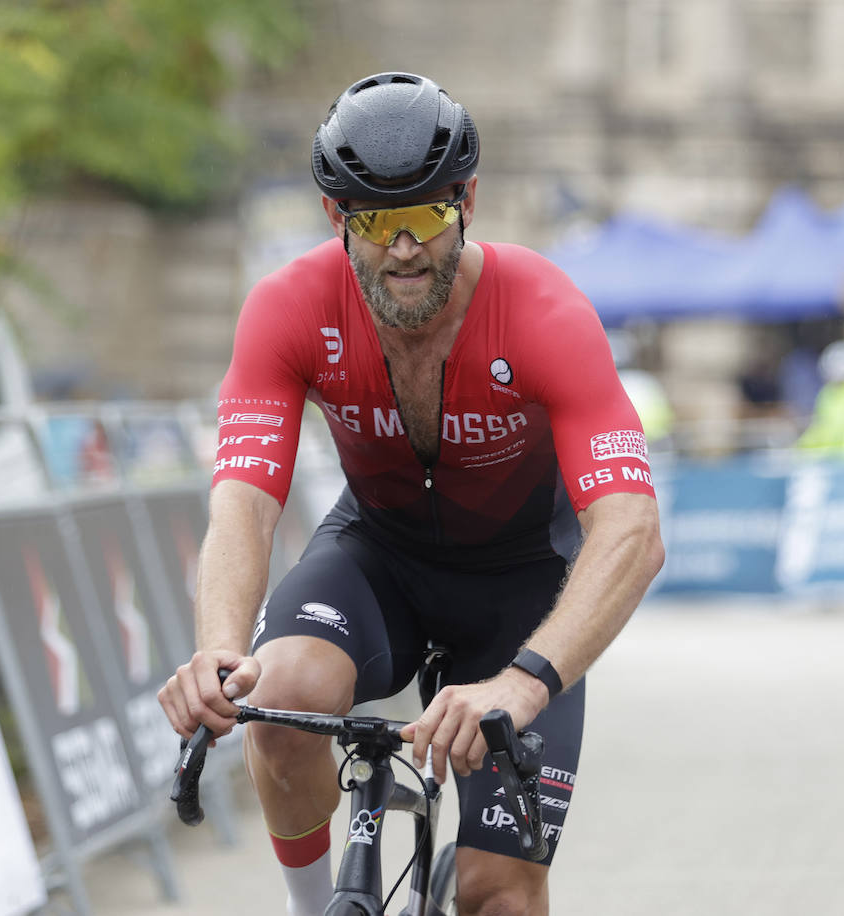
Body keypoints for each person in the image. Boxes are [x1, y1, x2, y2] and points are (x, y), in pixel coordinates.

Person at [158, 72, 664, 916]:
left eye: (426, 216)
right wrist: (217, 651)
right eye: (376, 223)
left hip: (521, 583)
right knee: (274, 698)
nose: (403, 248)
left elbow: (632, 531)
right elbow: (244, 499)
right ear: (336, 219)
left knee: (497, 893)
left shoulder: (543, 313)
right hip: (380, 558)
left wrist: (525, 683)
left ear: (467, 201)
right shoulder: (288, 310)